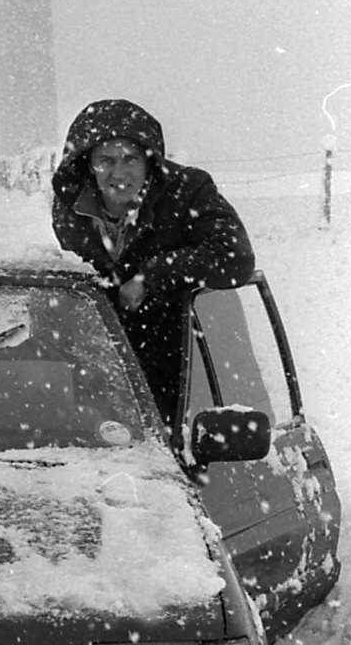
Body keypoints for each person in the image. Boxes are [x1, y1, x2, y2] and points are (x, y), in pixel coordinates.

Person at [51, 99, 254, 425]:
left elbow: (236, 257)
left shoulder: (187, 192)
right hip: (106, 376)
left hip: (192, 366)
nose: (119, 173)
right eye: (106, 160)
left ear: (150, 161)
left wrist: (152, 277)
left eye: (130, 159)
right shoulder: (72, 208)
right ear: (88, 164)